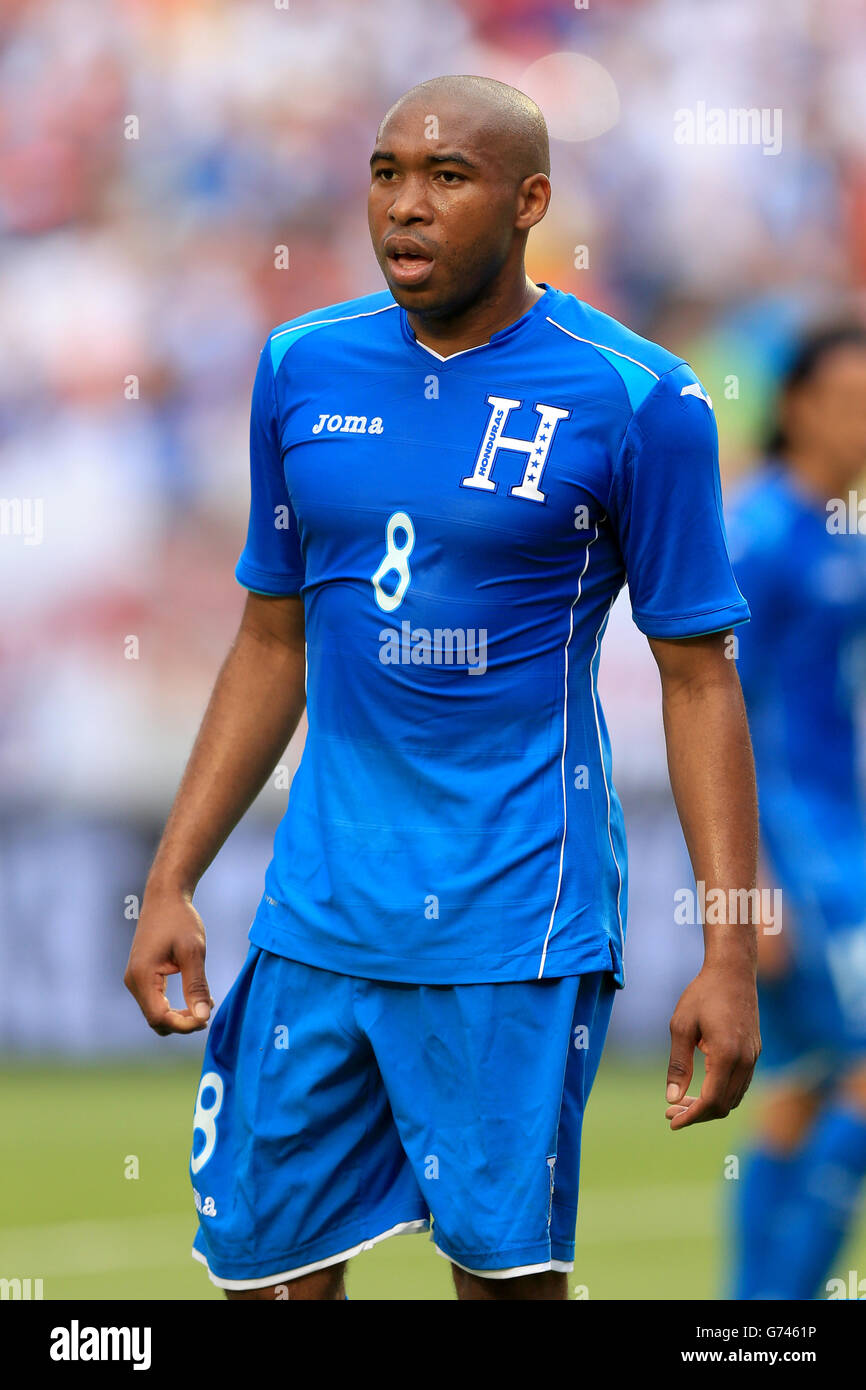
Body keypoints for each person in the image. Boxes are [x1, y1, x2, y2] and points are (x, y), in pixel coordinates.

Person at [125, 74, 759, 1301]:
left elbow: (697, 679)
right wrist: (171, 875)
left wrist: (726, 952)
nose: (404, 207)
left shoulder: (638, 397)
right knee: (265, 1277)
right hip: (317, 909)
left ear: (529, 202)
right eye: (385, 173)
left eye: (446, 178)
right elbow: (271, 640)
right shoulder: (299, 364)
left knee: (501, 1285)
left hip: (512, 914)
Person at [727, 325, 866, 1300]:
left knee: (800, 1084)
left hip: (838, 837)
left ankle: (749, 1321)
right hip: (795, 852)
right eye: (848, 398)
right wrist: (745, 882)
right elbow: (709, 704)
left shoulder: (841, 527)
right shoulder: (760, 532)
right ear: (798, 407)